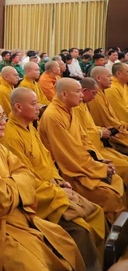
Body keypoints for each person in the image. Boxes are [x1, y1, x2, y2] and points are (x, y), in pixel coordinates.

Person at [0, 98, 86, 271]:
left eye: (3, 116)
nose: (4, 122)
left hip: (19, 215)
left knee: (67, 246)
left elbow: (26, 174)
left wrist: (10, 183)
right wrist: (18, 183)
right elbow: (1, 198)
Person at [2, 88, 105, 271]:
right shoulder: (10, 136)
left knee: (96, 211)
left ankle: (101, 266)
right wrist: (55, 189)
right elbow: (25, 178)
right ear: (18, 107)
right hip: (39, 197)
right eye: (34, 103)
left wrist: (58, 179)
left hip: (53, 186)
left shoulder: (29, 127)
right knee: (81, 229)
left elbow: (47, 160)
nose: (39, 107)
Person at [39, 78, 126, 222]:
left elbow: (84, 139)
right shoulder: (53, 116)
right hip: (70, 171)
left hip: (83, 164)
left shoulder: (69, 110)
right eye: (78, 91)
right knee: (109, 194)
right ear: (64, 94)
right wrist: (99, 168)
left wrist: (100, 161)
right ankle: (114, 231)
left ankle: (120, 224)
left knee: (116, 179)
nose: (81, 95)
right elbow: (68, 154)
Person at [88, 66, 128, 151]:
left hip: (116, 128)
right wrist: (121, 127)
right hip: (109, 136)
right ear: (98, 78)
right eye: (108, 76)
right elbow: (105, 121)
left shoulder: (101, 93)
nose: (111, 79)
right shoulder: (95, 97)